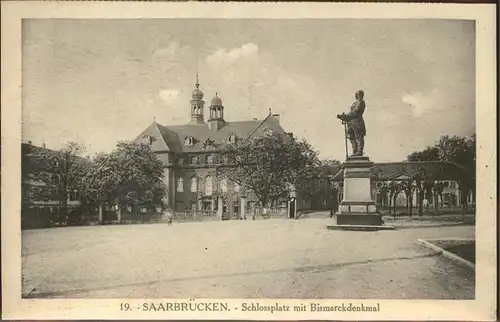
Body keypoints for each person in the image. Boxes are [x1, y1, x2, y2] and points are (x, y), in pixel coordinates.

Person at [337, 90, 367, 157]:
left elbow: (356, 111)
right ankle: (355, 150)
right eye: (356, 94)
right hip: (351, 122)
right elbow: (352, 112)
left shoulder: (361, 102)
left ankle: (359, 151)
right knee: (350, 136)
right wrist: (344, 117)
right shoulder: (354, 103)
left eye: (358, 94)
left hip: (357, 122)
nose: (357, 95)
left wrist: (346, 116)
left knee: (359, 136)